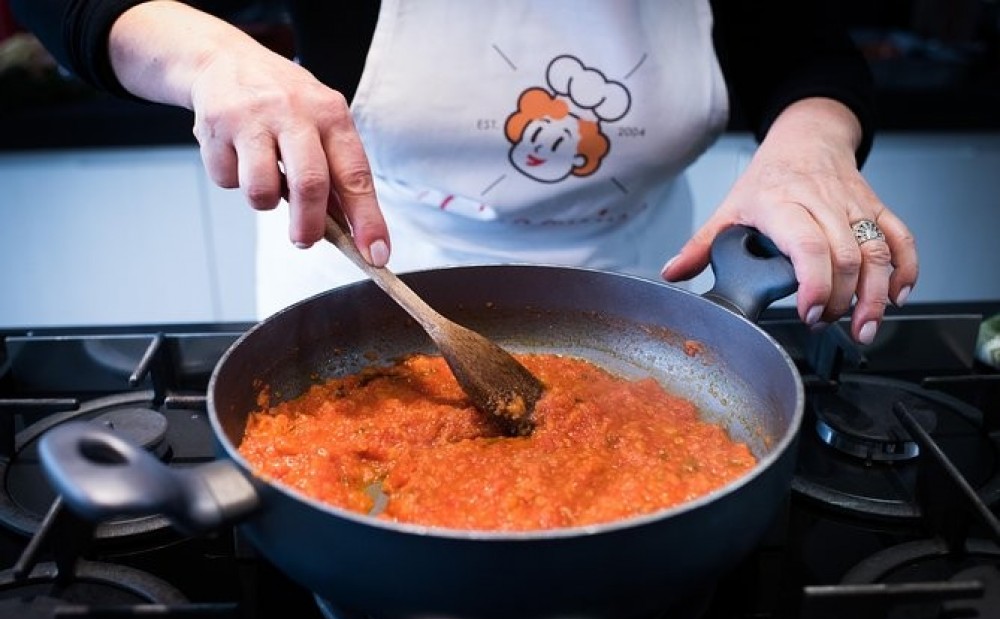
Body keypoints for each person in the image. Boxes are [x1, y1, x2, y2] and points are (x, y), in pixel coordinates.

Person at [13, 0, 918, 345]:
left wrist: (814, 148)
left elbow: (813, 57)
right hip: (358, 281)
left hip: (640, 284)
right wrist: (204, 56)